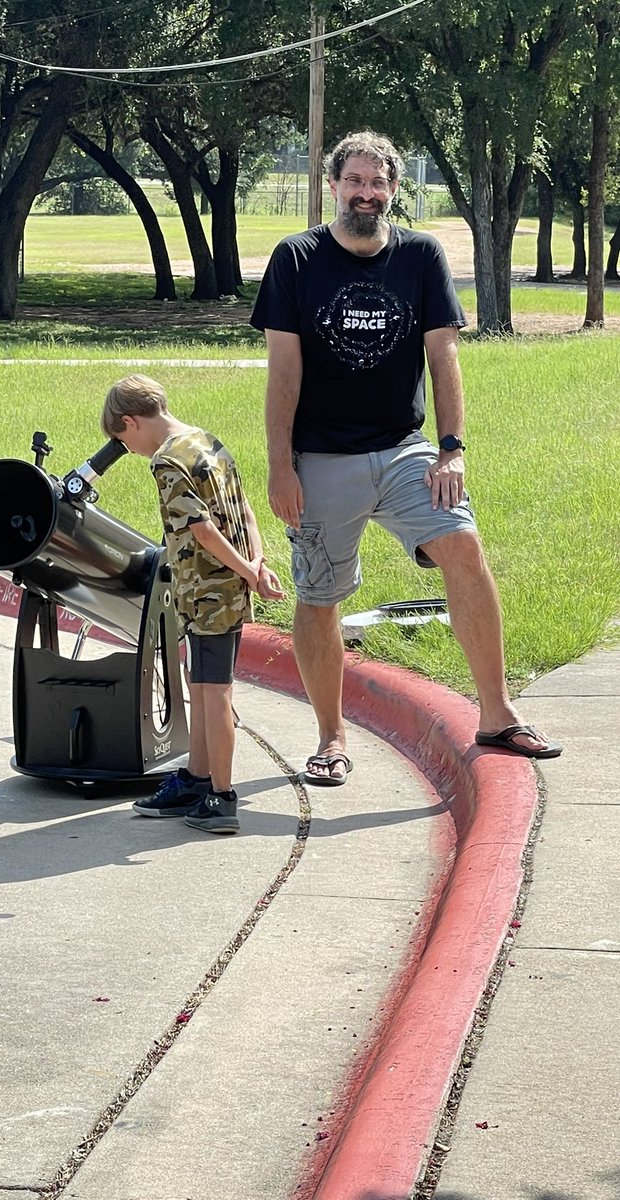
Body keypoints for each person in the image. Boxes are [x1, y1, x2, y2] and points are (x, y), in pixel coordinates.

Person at [249, 129, 561, 786]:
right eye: (354, 181)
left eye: (378, 183)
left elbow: (444, 356)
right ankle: (331, 738)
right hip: (323, 458)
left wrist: (451, 451)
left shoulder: (420, 256)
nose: (366, 194)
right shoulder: (297, 259)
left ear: (394, 190)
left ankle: (497, 714)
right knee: (319, 596)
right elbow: (283, 374)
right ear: (333, 185)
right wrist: (281, 466)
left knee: (464, 547)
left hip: (405, 452)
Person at [101, 373, 286, 833]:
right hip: (230, 585)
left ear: (131, 421)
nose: (130, 448)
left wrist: (246, 571)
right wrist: (256, 565)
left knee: (213, 691)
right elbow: (245, 509)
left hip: (208, 591)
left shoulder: (167, 462)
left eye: (124, 438)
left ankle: (221, 797)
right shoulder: (207, 442)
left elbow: (201, 529)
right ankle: (198, 779)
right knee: (200, 684)